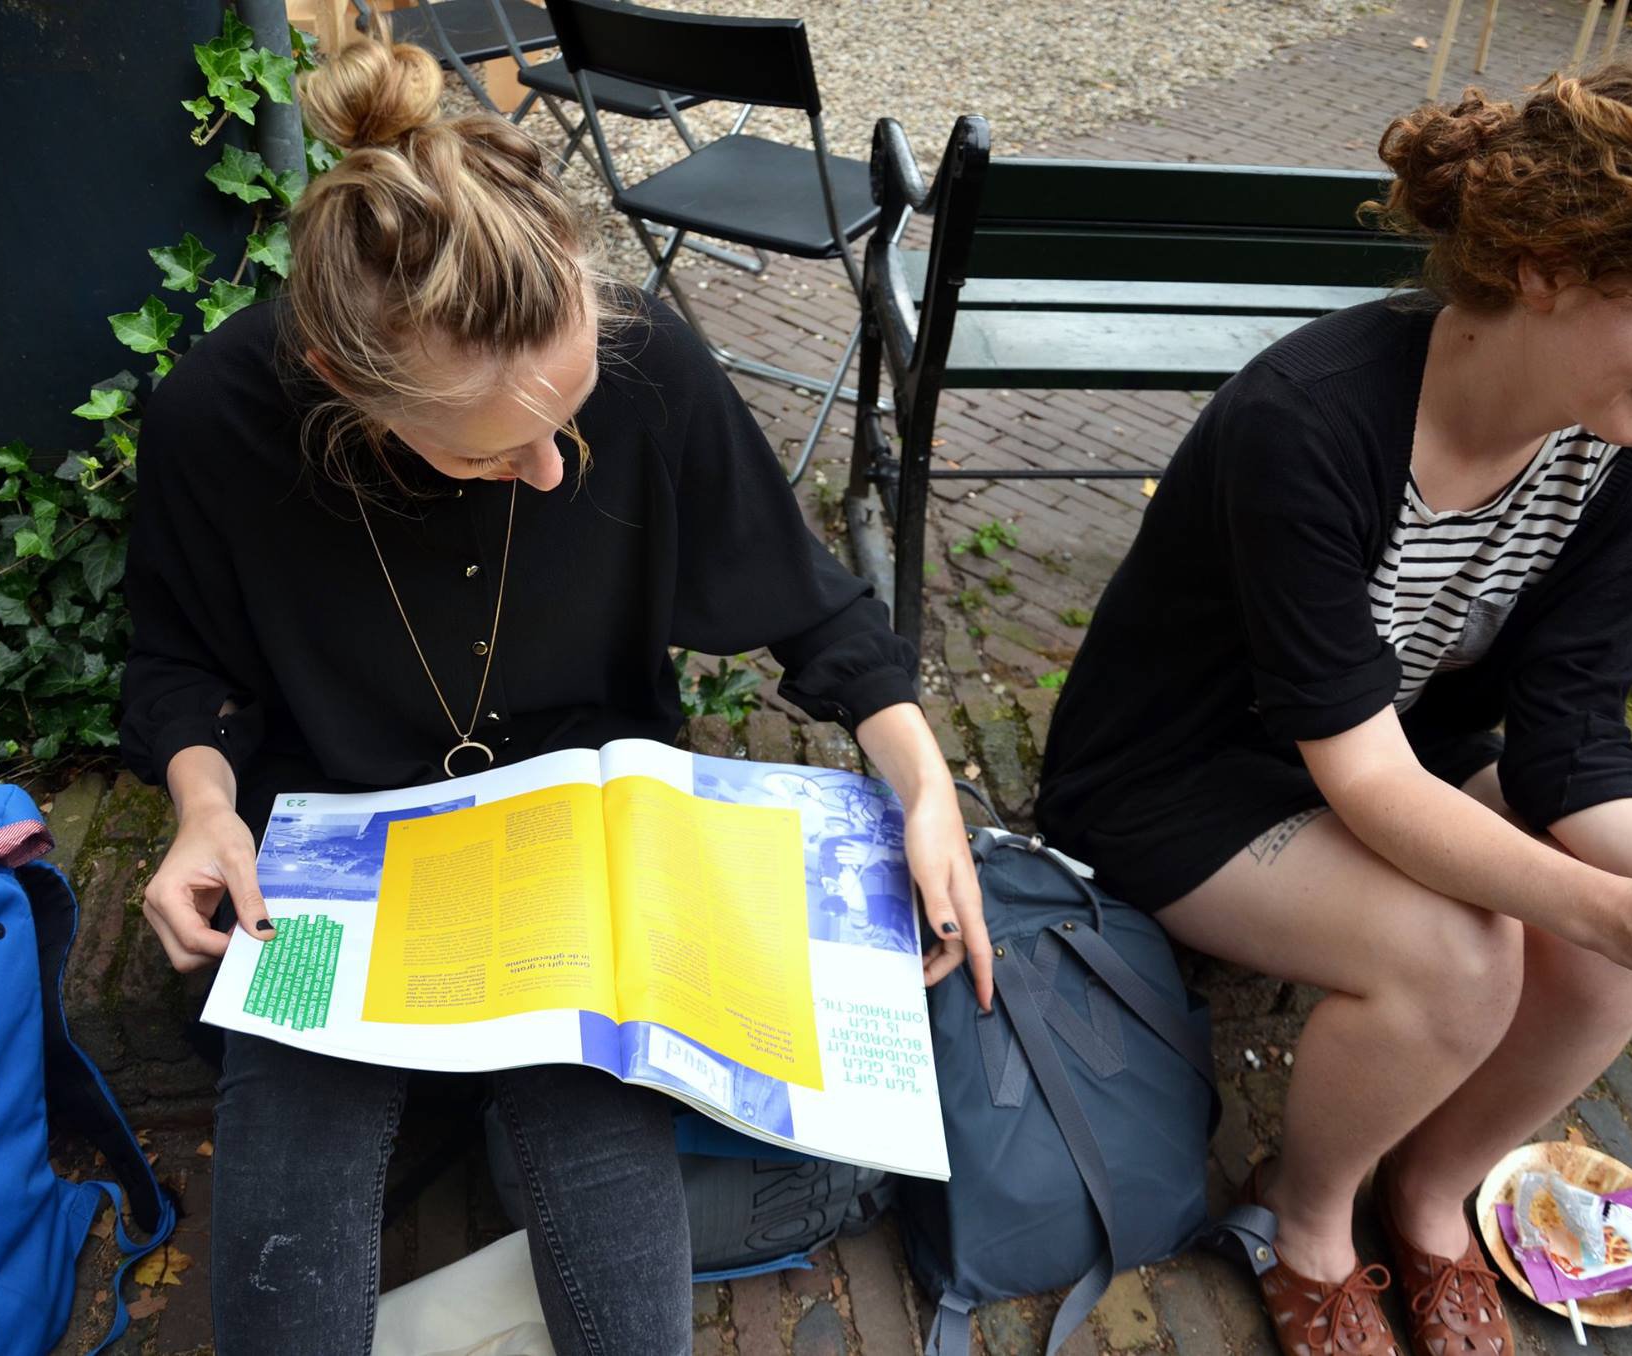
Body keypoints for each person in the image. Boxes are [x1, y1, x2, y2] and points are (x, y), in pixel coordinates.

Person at [118, 18, 988, 1356]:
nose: (553, 471)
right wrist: (202, 807)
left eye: (570, 416)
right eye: (491, 450)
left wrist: (924, 788)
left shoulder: (647, 367)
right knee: (292, 1196)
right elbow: (180, 661)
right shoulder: (213, 424)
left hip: (585, 829)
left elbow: (813, 606)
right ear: (346, 384)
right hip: (339, 850)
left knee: (601, 1158)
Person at [1035, 44, 1632, 1356]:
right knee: (1463, 959)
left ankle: (1428, 1194)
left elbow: (1571, 742)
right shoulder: (1308, 422)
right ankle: (1305, 1221)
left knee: (1608, 962)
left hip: (1395, 758)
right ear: (1549, 266)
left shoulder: (1628, 445)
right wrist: (1622, 908)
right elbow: (1362, 777)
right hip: (1178, 778)